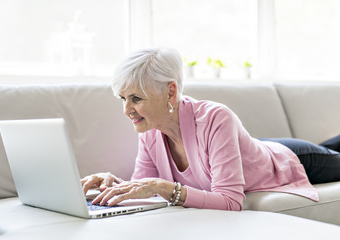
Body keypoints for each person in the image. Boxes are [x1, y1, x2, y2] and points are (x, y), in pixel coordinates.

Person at [81, 47, 340, 211]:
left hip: (288, 158)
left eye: (136, 99)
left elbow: (230, 201)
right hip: (252, 149)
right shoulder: (150, 128)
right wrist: (112, 185)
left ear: (170, 92)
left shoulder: (216, 117)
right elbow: (144, 188)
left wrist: (166, 188)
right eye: (123, 99)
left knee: (330, 153)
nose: (127, 110)